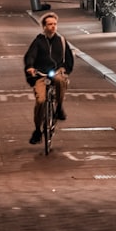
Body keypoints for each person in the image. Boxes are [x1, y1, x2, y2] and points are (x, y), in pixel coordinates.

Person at [23, 11, 74, 145]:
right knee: (40, 101)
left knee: (59, 80)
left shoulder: (61, 40)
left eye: (55, 24)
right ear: (44, 27)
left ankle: (59, 107)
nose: (53, 27)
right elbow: (31, 55)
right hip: (42, 74)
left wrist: (65, 69)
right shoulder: (38, 41)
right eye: (50, 24)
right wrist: (30, 66)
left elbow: (68, 58)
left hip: (57, 72)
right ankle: (37, 130)